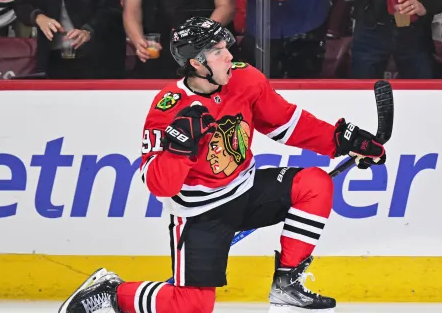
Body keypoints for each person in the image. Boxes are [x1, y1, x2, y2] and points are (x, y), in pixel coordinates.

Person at [57, 16, 387, 313]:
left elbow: (285, 123)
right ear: (195, 64)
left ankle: (286, 285)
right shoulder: (167, 108)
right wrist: (178, 149)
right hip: (199, 213)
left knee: (315, 183)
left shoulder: (244, 80)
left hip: (245, 189)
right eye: (217, 52)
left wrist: (340, 140)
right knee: (192, 305)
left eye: (225, 47)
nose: (229, 55)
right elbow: (159, 185)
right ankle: (115, 293)